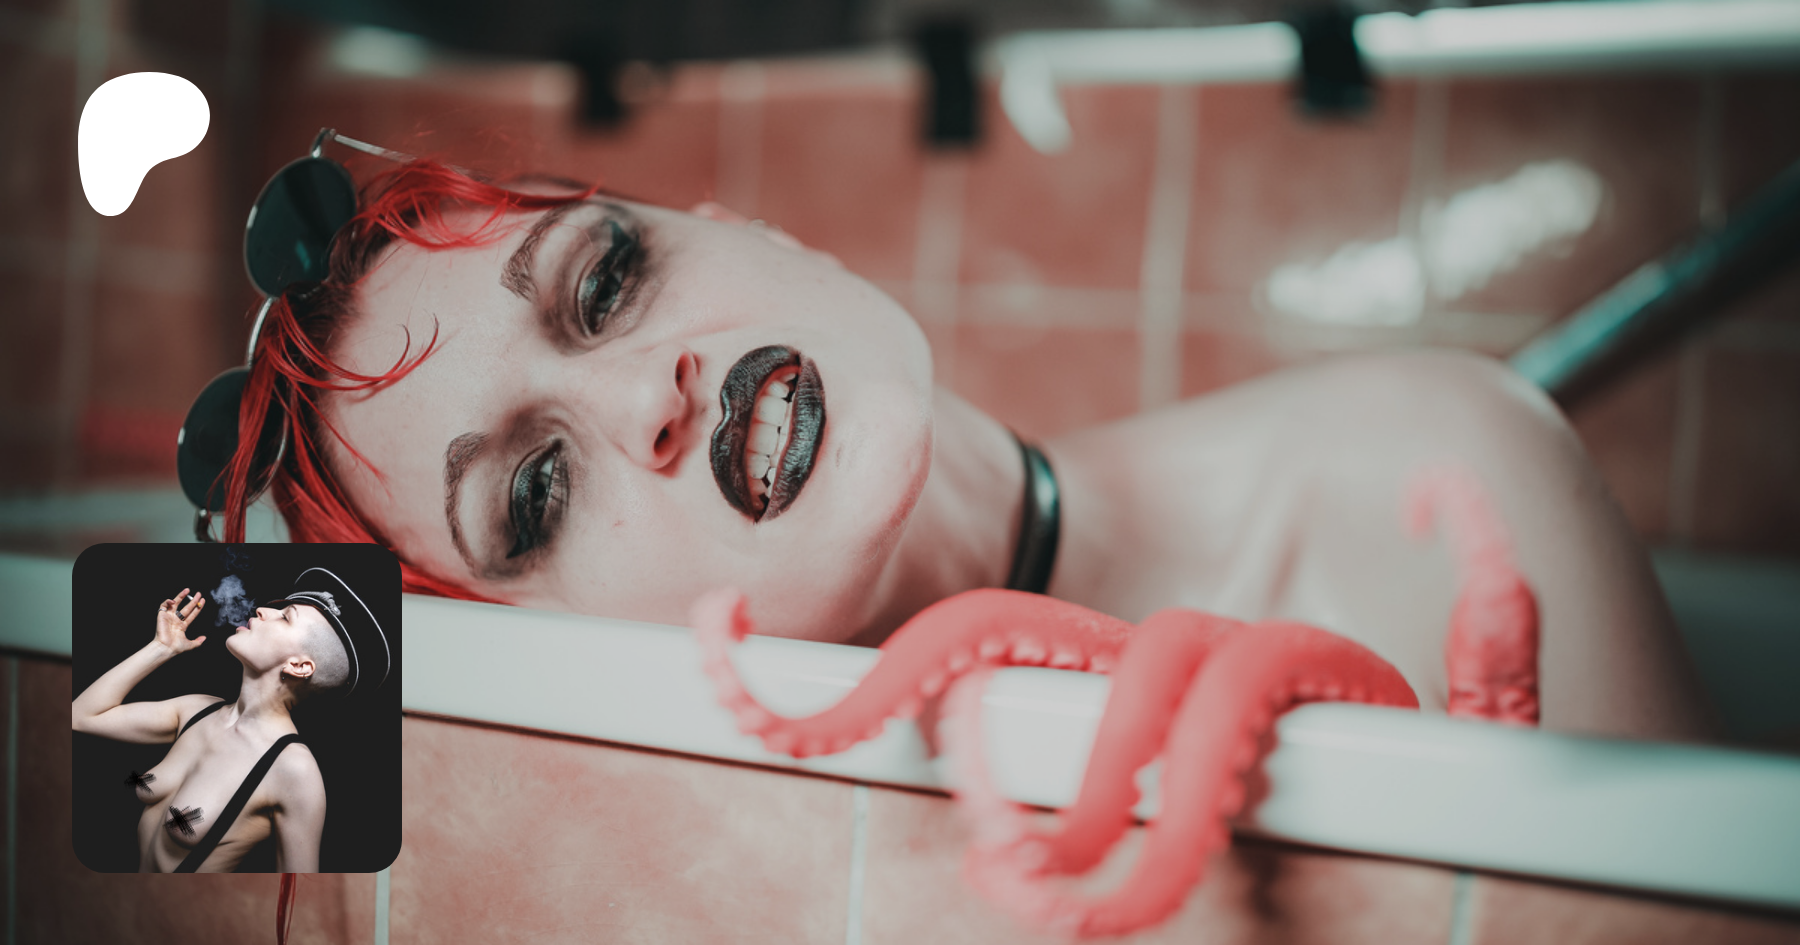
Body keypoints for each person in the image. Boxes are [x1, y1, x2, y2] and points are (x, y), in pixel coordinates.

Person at [215, 156, 1714, 745]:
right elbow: (158, 772)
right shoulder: (695, 868)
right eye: (537, 493)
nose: (643, 396)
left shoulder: (1437, 477)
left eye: (607, 282)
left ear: (756, 232)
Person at [72, 568, 391, 872]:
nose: (264, 610)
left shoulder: (293, 768)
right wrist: (161, 648)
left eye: (285, 617)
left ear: (298, 666)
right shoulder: (196, 710)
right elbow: (81, 717)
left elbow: (300, 889)